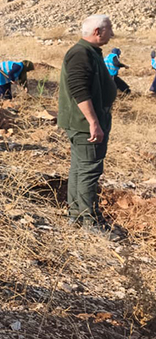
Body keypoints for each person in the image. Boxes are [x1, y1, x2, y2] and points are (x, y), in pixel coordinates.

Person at [58, 15, 122, 241]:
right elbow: (79, 89)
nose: (111, 34)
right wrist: (94, 122)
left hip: (85, 123)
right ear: (97, 31)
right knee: (88, 170)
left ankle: (76, 215)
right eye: (109, 30)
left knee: (80, 167)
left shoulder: (90, 52)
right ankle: (89, 220)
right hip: (85, 125)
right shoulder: (80, 53)